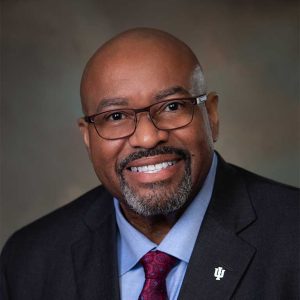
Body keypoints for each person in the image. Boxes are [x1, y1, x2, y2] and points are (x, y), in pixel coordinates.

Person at [0, 28, 299, 300]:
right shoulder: (30, 261)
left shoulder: (292, 236)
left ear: (211, 115)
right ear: (88, 138)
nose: (147, 137)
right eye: (116, 116)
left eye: (172, 107)